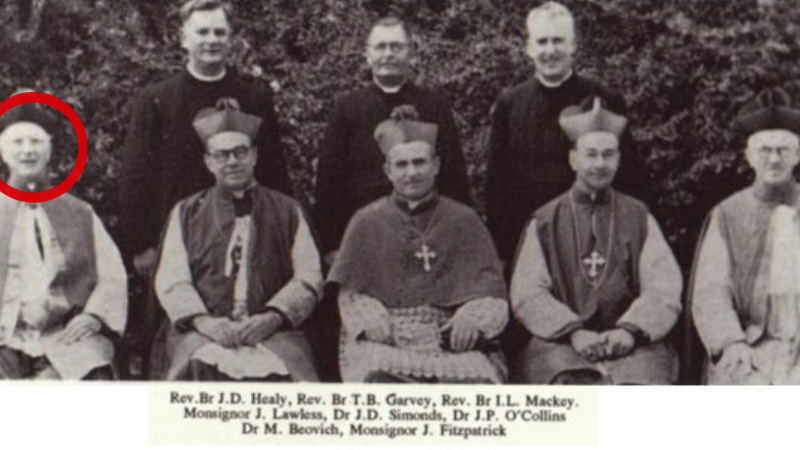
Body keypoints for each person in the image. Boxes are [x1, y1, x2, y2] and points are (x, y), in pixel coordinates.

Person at [510, 97, 682, 384]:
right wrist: (574, 332)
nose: (600, 164)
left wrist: (629, 331)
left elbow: (663, 288)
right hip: (562, 344)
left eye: (608, 154)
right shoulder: (545, 220)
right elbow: (528, 293)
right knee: (568, 387)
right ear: (573, 159)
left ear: (618, 159)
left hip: (633, 345)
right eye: (591, 154)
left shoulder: (639, 216)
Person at [328, 115, 508, 383]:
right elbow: (352, 291)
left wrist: (472, 317)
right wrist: (370, 318)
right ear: (388, 171)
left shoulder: (465, 219)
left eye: (419, 162)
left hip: (450, 340)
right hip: (388, 339)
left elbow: (490, 289)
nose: (411, 173)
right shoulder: (365, 220)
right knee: (376, 380)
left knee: (477, 385)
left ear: (436, 166)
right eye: (402, 164)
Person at [121, 0, 290, 279]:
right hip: (177, 240)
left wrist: (280, 234)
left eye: (219, 32)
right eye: (202, 32)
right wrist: (142, 244)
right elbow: (137, 176)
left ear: (230, 39)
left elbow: (274, 172)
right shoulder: (157, 100)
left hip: (246, 235)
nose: (212, 40)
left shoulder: (254, 98)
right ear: (183, 39)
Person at [150, 105, 322, 381]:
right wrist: (204, 322)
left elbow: (308, 277)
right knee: (197, 368)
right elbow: (173, 279)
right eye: (221, 155)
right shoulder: (186, 212)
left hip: (274, 332)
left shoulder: (288, 210)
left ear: (254, 156)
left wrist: (273, 317)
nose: (232, 162)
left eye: (240, 152)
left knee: (290, 377)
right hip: (204, 331)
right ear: (209, 162)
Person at [486, 2, 651, 265]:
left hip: (594, 244)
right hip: (531, 245)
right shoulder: (510, 104)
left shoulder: (604, 98)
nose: (550, 50)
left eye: (558, 41)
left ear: (573, 45)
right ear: (529, 48)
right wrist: (508, 254)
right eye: (542, 42)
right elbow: (497, 188)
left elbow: (629, 179)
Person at [314, 16, 470, 261]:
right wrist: (333, 245)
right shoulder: (346, 109)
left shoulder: (434, 106)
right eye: (380, 47)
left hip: (426, 231)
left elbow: (453, 177)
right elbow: (329, 184)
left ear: (410, 52)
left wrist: (456, 236)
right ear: (368, 55)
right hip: (364, 235)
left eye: (396, 46)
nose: (388, 54)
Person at [0, 102, 127, 380]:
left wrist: (94, 315)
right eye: (17, 142)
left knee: (94, 368)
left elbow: (112, 275)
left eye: (36, 142)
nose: (28, 150)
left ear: (49, 151)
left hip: (64, 334)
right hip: (6, 334)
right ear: (3, 150)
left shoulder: (79, 212)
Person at [691, 87, 800, 385]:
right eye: (765, 150)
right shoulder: (728, 214)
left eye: (783, 150)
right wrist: (731, 342)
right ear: (749, 156)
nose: (774, 159)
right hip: (750, 346)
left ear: (797, 155)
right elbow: (711, 291)